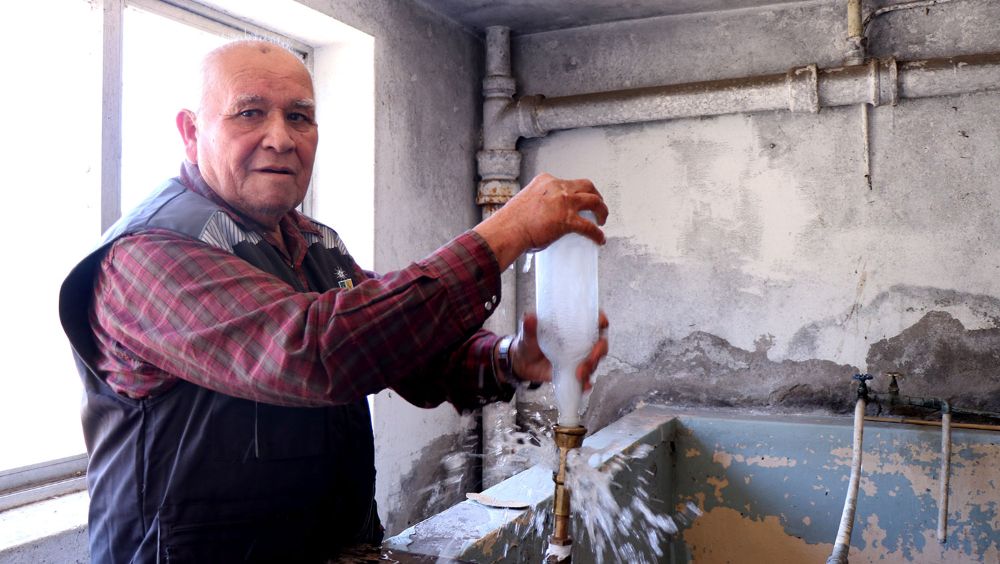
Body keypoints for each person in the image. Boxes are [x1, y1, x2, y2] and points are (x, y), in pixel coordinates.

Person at [59, 39, 609, 563]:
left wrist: (510, 359)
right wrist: (504, 233)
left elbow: (403, 350)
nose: (281, 138)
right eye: (249, 113)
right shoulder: (150, 254)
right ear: (190, 131)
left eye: (299, 116)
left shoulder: (314, 244)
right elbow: (313, 351)